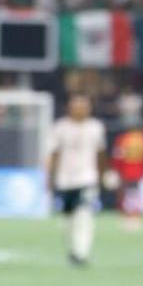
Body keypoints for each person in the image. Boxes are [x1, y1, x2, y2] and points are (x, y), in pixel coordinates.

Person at [48, 94, 108, 266]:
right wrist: (49, 177)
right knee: (68, 220)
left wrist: (102, 175)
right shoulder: (60, 128)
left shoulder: (96, 127)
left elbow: (100, 154)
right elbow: (53, 154)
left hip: (87, 178)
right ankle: (73, 250)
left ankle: (82, 252)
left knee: (84, 215)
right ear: (70, 108)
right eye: (77, 106)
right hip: (65, 179)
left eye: (84, 106)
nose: (81, 109)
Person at [111, 128, 143, 231]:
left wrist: (116, 169)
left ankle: (128, 216)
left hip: (126, 170)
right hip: (139, 170)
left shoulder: (123, 138)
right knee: (135, 193)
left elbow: (118, 155)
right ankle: (135, 216)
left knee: (127, 194)